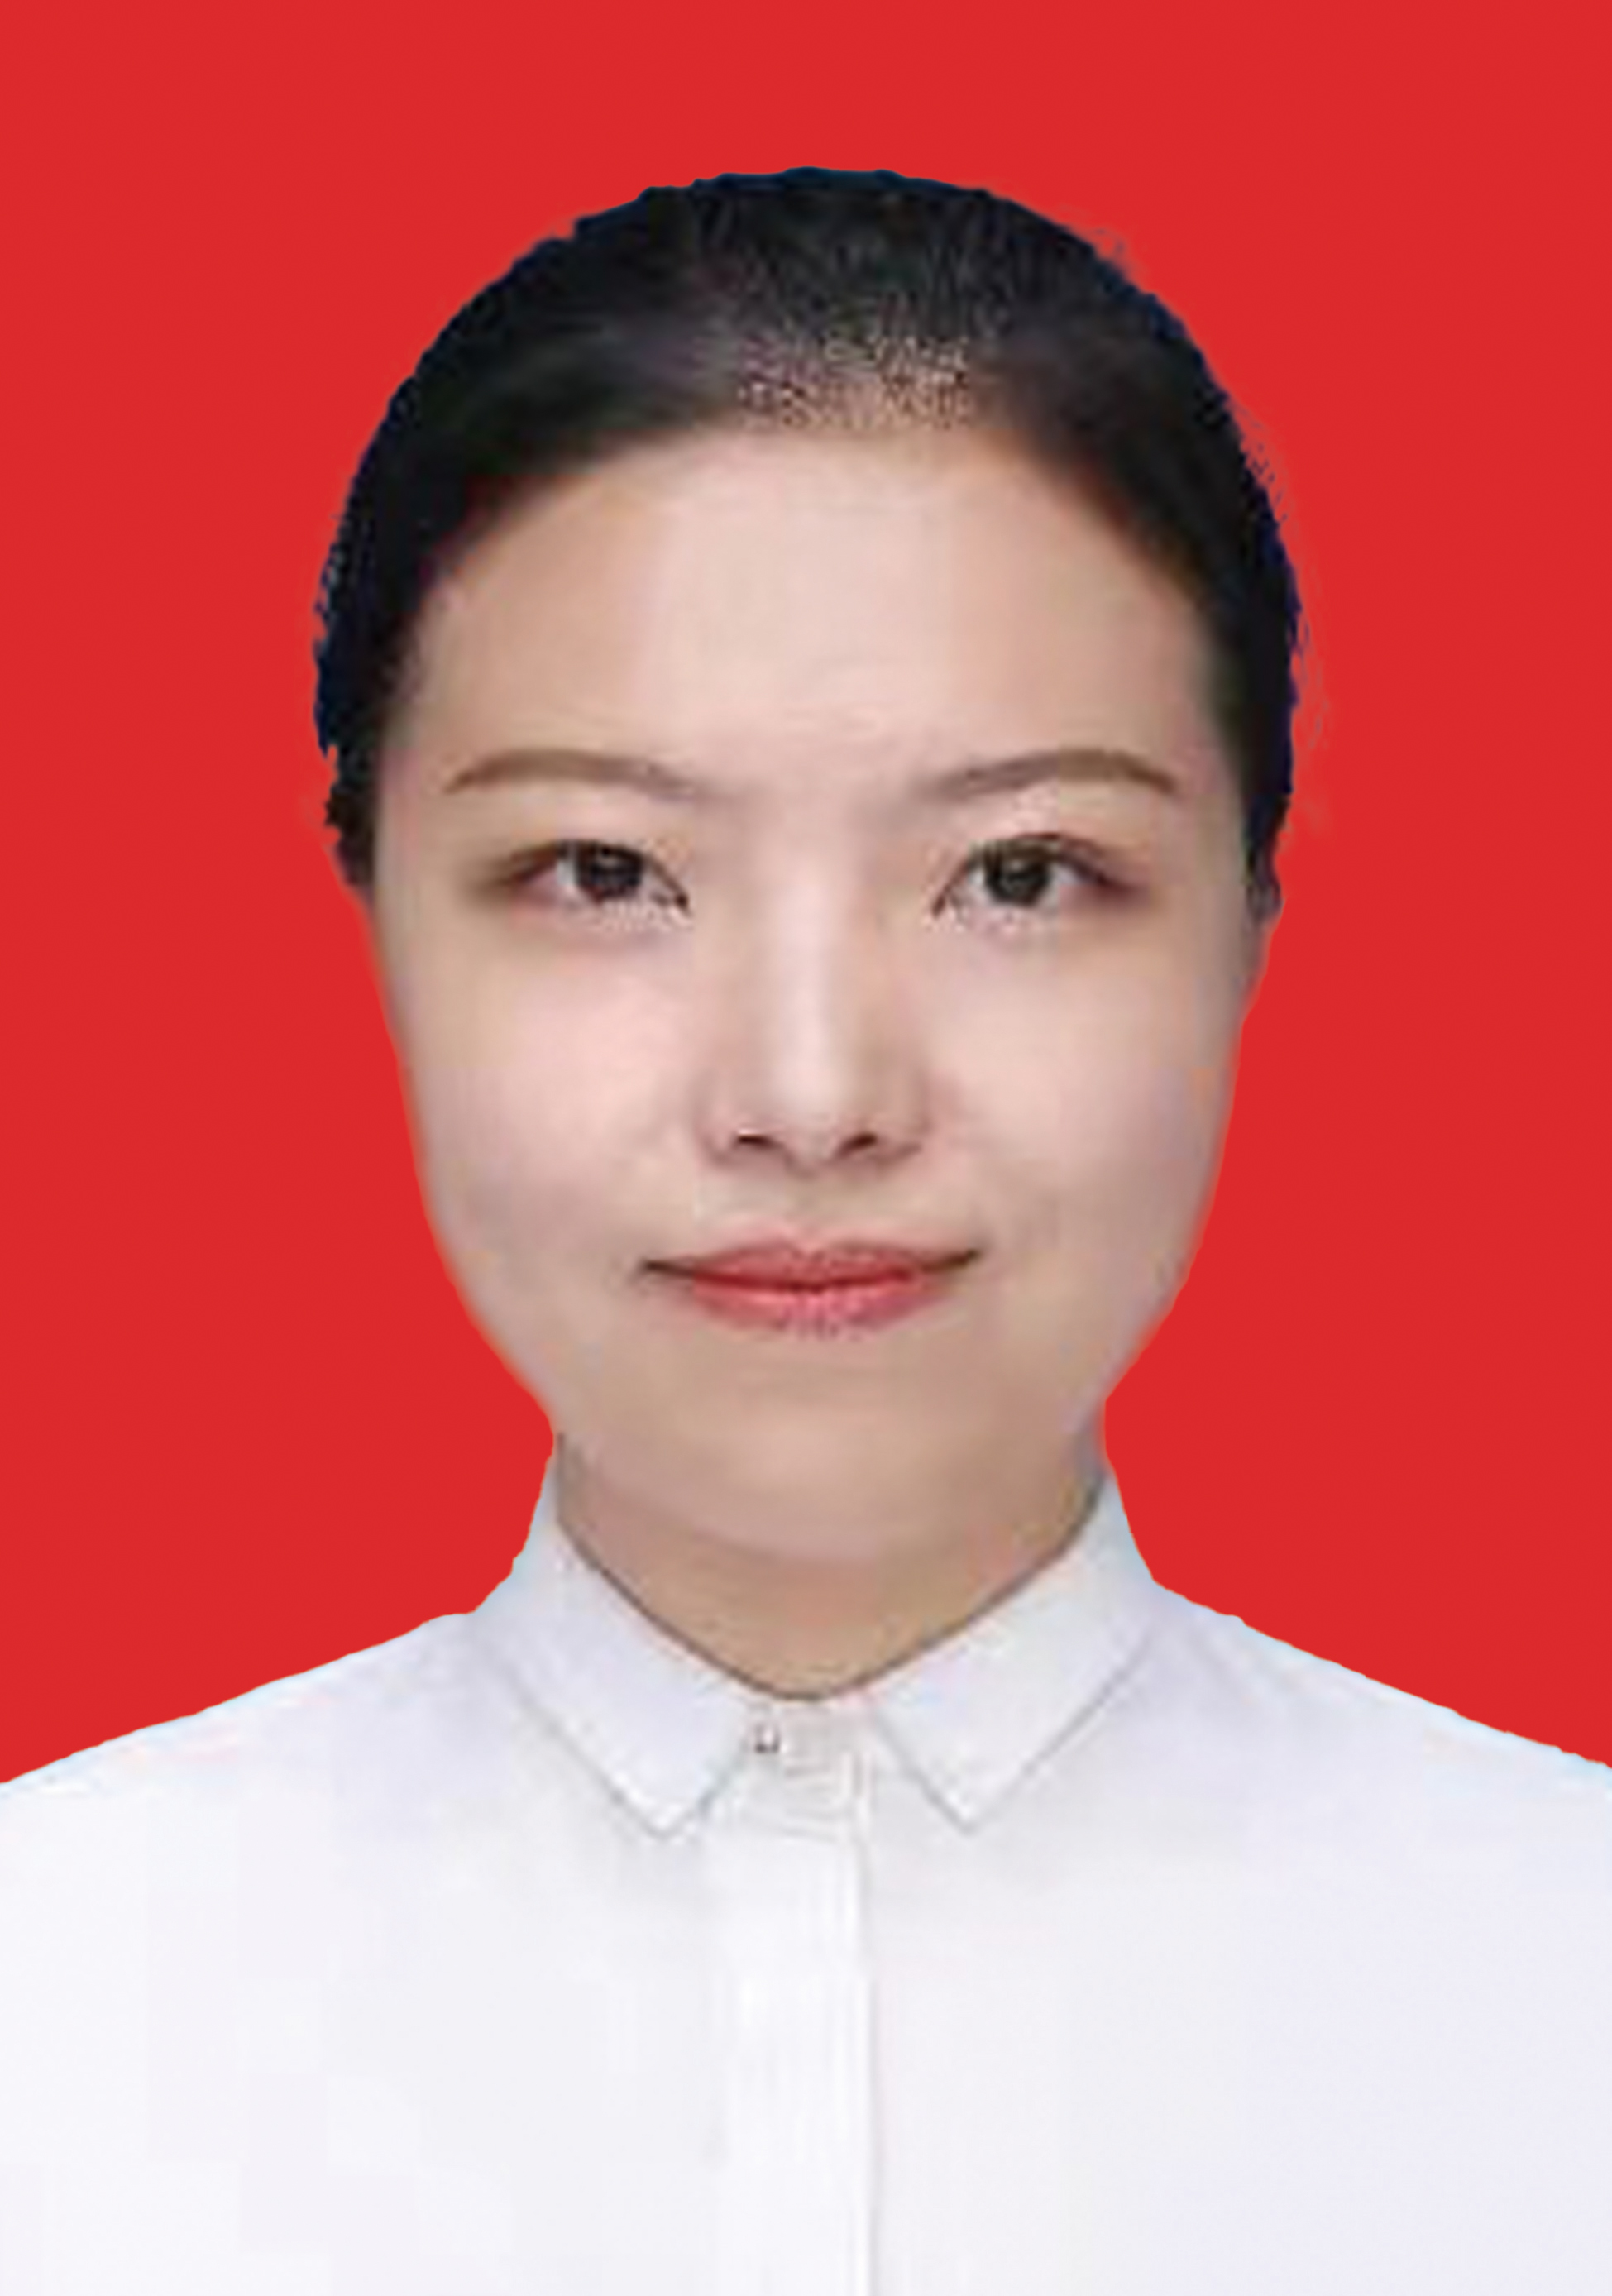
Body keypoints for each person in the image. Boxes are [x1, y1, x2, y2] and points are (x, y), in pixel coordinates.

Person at [0, 167, 1606, 2294]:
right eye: (605, 871)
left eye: (1019, 874)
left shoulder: (1565, 1979)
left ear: (1252, 919)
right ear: (373, 909)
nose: (814, 1088)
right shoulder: (52, 1990)